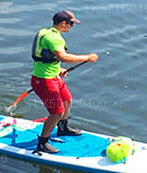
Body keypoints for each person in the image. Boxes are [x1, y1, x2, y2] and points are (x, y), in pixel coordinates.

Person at [30, 10, 99, 154]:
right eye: (71, 24)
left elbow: (48, 58)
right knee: (56, 111)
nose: (72, 26)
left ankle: (62, 128)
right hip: (43, 80)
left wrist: (59, 69)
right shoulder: (53, 38)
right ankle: (42, 142)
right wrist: (87, 57)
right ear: (63, 23)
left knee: (67, 100)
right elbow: (63, 57)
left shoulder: (49, 32)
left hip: (53, 76)